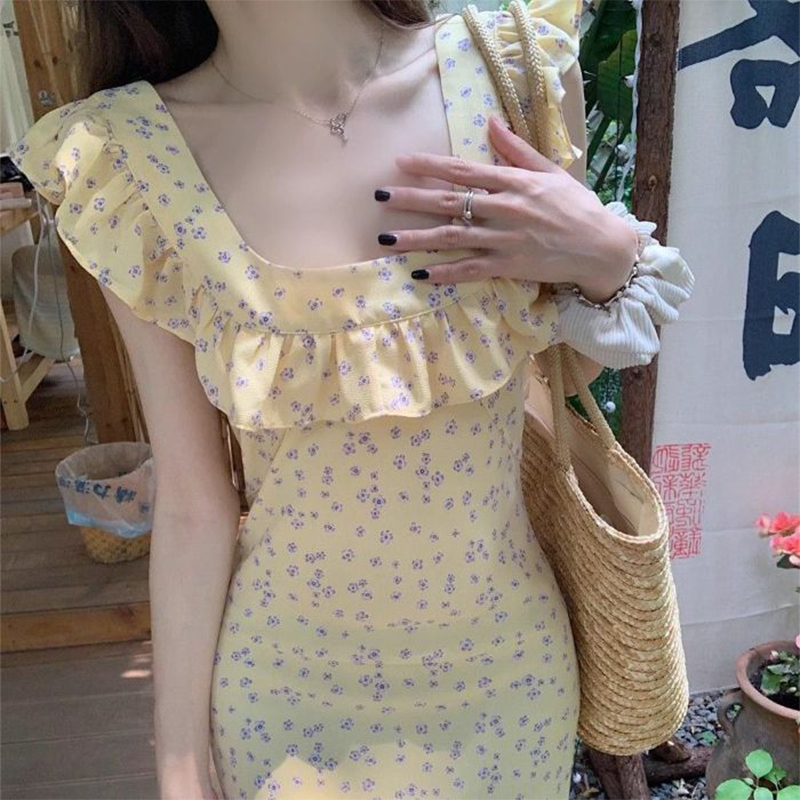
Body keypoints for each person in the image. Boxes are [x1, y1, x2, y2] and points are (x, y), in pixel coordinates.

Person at [9, 0, 694, 798]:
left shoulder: (513, 69)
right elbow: (194, 503)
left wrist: (607, 256)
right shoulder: (127, 161)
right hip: (283, 694)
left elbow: (568, 364)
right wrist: (180, 761)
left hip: (507, 682)